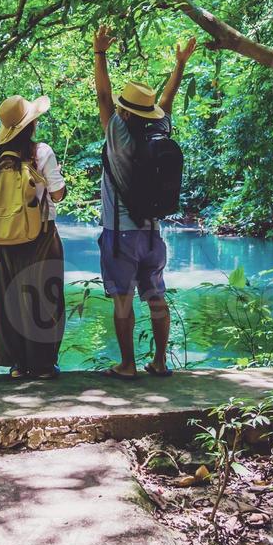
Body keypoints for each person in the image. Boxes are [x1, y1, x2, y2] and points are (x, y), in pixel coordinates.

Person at [92, 26, 197, 379]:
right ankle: (161, 362)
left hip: (121, 234)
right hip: (154, 234)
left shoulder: (118, 133)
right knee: (156, 297)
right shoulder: (159, 131)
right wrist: (179, 64)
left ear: (124, 113)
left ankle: (127, 365)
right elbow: (164, 103)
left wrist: (100, 53)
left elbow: (104, 98)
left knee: (122, 299)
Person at [0, 94, 67, 379]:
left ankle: (18, 364)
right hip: (40, 234)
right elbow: (56, 194)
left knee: (10, 298)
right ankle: (43, 365)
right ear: (30, 125)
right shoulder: (41, 152)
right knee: (45, 296)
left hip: (6, 236)